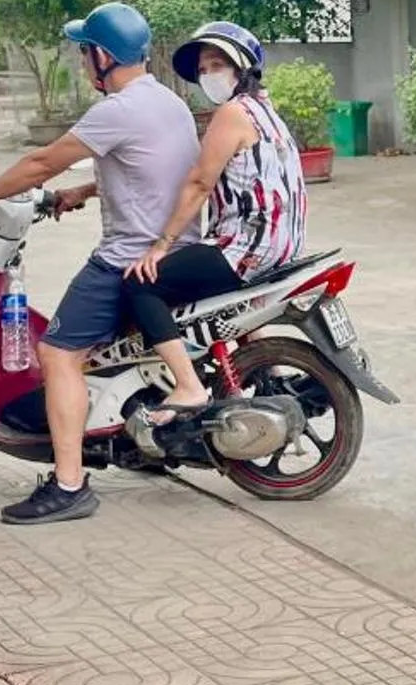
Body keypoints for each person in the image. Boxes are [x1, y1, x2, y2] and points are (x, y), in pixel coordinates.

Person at [0, 1, 196, 525]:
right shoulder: (169, 102)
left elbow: (40, 162)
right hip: (180, 246)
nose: (81, 63)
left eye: (83, 53)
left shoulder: (115, 110)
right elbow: (147, 171)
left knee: (57, 354)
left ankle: (69, 484)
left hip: (127, 257)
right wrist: (82, 190)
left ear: (102, 56)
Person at [125, 22, 307, 420]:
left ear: (242, 67)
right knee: (215, 297)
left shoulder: (232, 113)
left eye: (217, 64)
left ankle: (188, 386)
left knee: (141, 285)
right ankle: (267, 369)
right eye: (204, 69)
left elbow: (199, 182)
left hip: (245, 246)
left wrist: (161, 244)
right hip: (282, 246)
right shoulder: (265, 111)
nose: (208, 75)